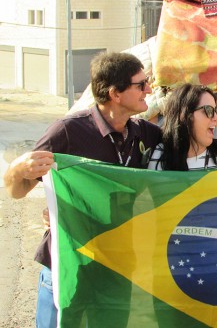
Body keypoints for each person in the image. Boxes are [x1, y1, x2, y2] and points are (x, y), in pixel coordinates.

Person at [3, 52, 162, 328]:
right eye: (141, 84)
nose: (149, 89)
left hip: (116, 271)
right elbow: (17, 189)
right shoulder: (67, 132)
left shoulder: (144, 134)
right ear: (115, 93)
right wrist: (18, 169)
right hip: (68, 265)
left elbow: (195, 147)